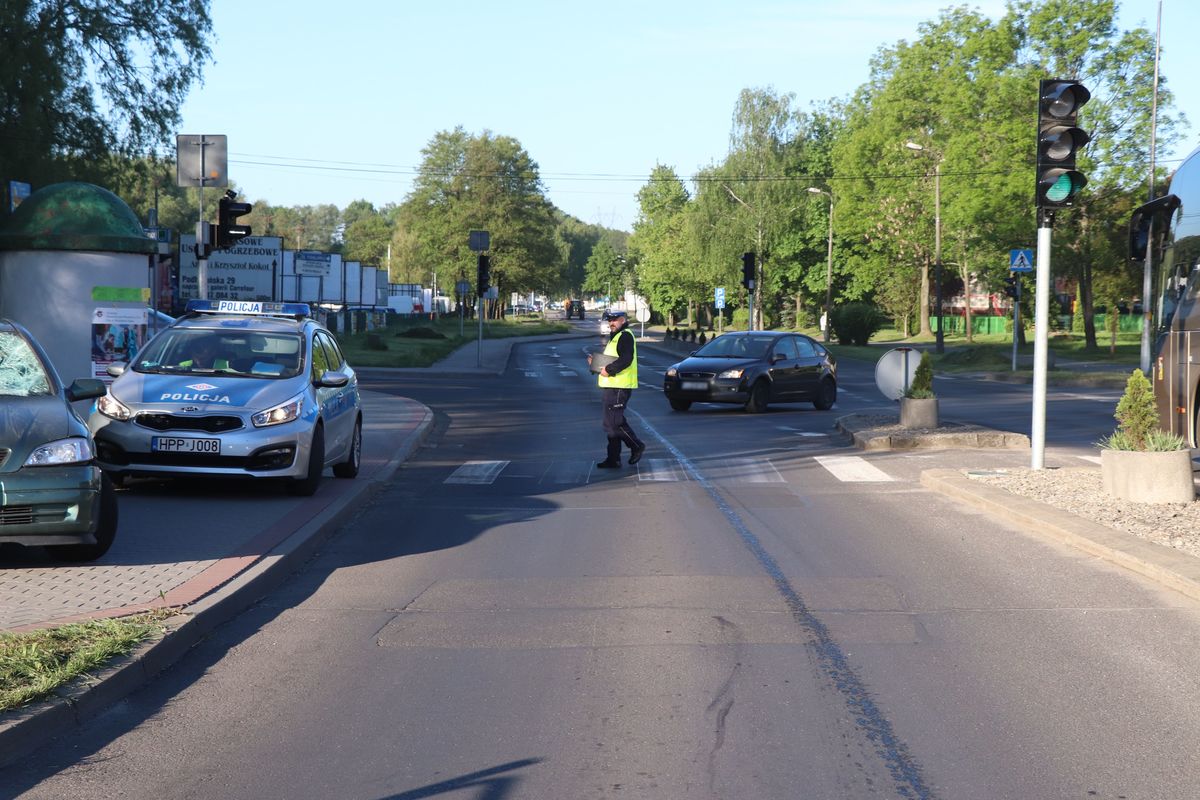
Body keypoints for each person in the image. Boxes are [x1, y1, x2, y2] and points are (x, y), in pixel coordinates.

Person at [588, 309, 645, 468]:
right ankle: (613, 458)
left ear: (623, 320)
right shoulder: (616, 336)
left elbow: (626, 359)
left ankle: (636, 445)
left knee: (616, 422)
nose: (611, 323)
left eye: (614, 320)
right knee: (610, 424)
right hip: (612, 385)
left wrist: (610, 370)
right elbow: (613, 359)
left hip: (620, 386)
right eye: (609, 320)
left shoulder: (625, 335)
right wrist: (596, 364)